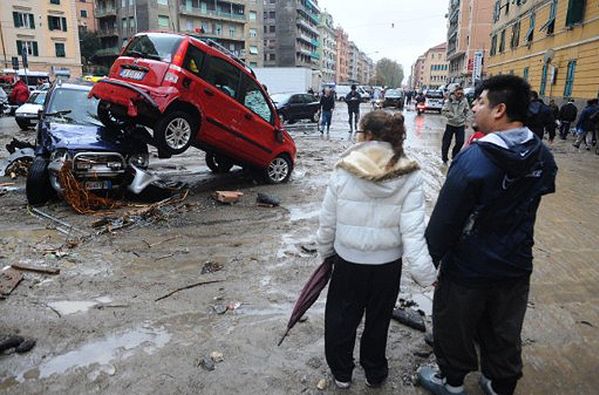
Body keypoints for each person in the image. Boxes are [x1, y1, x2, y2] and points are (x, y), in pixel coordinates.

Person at [417, 75, 557, 395]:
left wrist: (428, 264)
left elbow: (446, 221)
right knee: (504, 327)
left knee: (454, 323)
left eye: (480, 102)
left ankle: (451, 382)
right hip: (516, 264)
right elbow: (539, 193)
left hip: (469, 267)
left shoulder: (474, 158)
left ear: (499, 110)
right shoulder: (542, 156)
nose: (474, 107)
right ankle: (499, 382)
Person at [317, 110, 437, 390]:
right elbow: (413, 231)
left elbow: (328, 219)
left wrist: (325, 251)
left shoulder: (343, 166)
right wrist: (426, 274)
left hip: (348, 261)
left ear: (368, 135)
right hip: (387, 265)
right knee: (378, 320)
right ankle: (374, 372)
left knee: (341, 318)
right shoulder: (410, 172)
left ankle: (342, 373)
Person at [441, 86, 472, 164]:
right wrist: (452, 116)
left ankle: (454, 156)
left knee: (460, 142)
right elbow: (443, 111)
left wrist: (467, 122)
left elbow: (467, 111)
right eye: (458, 93)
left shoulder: (464, 101)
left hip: (460, 124)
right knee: (446, 142)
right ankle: (444, 158)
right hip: (450, 124)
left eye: (461, 93)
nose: (460, 95)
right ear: (454, 93)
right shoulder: (449, 101)